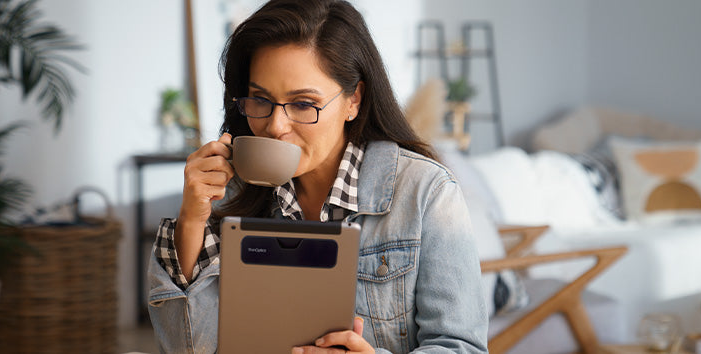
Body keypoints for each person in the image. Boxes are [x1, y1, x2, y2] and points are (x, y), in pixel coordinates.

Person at [147, 0, 489, 353]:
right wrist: (191, 221)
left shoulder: (425, 193)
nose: (275, 126)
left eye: (303, 104)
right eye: (260, 99)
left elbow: (461, 346)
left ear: (353, 100)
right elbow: (186, 348)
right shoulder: (231, 193)